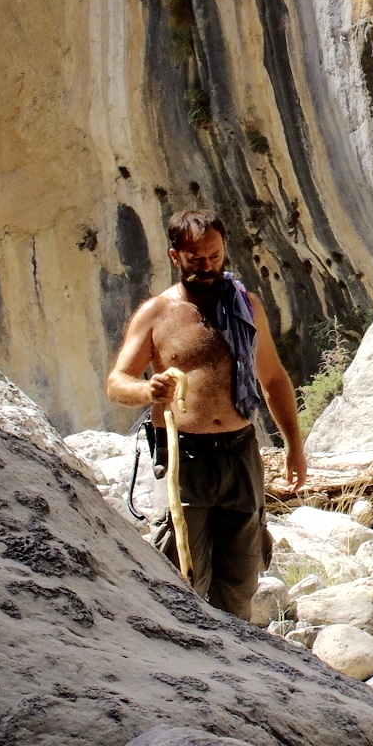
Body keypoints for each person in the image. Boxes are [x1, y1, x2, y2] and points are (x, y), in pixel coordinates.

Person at [106, 207, 307, 618]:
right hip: (183, 457)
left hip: (239, 452)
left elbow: (273, 379)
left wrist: (295, 447)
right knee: (180, 573)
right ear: (175, 256)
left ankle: (237, 649)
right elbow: (116, 383)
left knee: (241, 579)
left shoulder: (246, 307)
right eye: (195, 258)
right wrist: (148, 389)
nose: (207, 266)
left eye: (214, 256)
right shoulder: (157, 313)